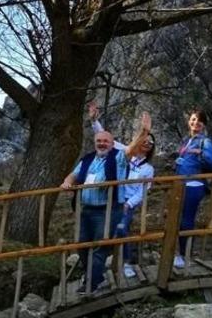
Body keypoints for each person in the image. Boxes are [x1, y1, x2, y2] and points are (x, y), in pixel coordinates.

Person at [61, 125, 144, 292]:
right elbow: (74, 174)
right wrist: (67, 182)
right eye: (99, 141)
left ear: (112, 144)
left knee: (100, 246)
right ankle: (94, 276)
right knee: (82, 245)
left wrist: (144, 132)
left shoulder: (118, 157)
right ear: (95, 143)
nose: (102, 143)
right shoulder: (88, 159)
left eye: (106, 141)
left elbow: (132, 149)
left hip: (108, 209)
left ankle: (91, 284)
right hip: (86, 209)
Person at [90, 104, 156, 279]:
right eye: (144, 140)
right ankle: (100, 264)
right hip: (111, 197)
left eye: (150, 143)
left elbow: (143, 191)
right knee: (102, 230)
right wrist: (94, 121)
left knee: (121, 229)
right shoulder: (126, 153)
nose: (146, 144)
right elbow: (107, 140)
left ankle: (126, 262)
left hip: (126, 202)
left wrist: (129, 204)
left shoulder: (148, 169)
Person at [173, 108, 212, 269]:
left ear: (204, 124)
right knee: (179, 219)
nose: (195, 123)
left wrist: (200, 153)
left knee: (187, 219)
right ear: (188, 122)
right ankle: (180, 253)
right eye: (193, 119)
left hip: (194, 184)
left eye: (199, 120)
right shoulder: (186, 140)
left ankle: (185, 255)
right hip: (180, 183)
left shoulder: (205, 142)